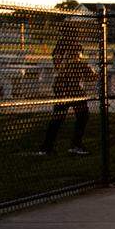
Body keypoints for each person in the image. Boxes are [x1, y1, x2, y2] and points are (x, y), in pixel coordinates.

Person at [38, 28, 97, 156]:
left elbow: (86, 72)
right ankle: (52, 146)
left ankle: (52, 146)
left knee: (79, 115)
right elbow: (61, 65)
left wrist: (87, 69)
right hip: (66, 87)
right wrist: (81, 66)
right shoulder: (63, 46)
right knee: (62, 117)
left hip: (71, 87)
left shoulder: (72, 47)